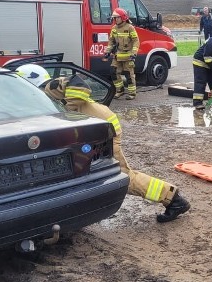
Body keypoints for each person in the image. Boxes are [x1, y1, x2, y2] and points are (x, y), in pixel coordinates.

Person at [43, 71, 191, 222]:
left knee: (120, 174)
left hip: (104, 129)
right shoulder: (41, 93)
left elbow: (80, 85)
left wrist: (67, 111)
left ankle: (173, 199)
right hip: (94, 131)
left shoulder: (52, 86)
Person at [106, 8, 140, 99]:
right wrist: (107, 52)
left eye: (117, 18)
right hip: (117, 56)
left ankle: (132, 93)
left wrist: (134, 53)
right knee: (113, 72)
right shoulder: (114, 29)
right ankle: (120, 90)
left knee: (128, 75)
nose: (115, 19)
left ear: (123, 17)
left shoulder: (130, 28)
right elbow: (111, 41)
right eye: (114, 18)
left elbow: (136, 41)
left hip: (128, 56)